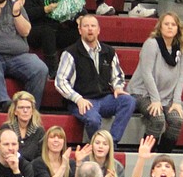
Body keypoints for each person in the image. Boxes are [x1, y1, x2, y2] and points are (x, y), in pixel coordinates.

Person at [55, 14, 137, 143]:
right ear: (80, 30)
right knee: (93, 119)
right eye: (86, 26)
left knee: (129, 101)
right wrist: (78, 99)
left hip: (105, 98)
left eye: (93, 26)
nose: (90, 29)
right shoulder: (71, 52)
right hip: (82, 100)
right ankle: (97, 146)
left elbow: (117, 75)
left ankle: (111, 143)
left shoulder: (109, 51)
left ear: (98, 30)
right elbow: (60, 82)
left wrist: (118, 87)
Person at [128, 12, 183, 153]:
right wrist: (155, 99)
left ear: (178, 28)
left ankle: (163, 156)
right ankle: (145, 155)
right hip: (142, 93)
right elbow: (146, 73)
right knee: (158, 119)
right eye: (166, 24)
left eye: (173, 24)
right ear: (160, 27)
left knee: (177, 120)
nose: (170, 27)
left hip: (166, 97)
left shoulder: (181, 48)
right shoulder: (151, 44)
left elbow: (181, 75)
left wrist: (177, 101)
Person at [25, 0, 81, 69]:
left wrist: (80, 18)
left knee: (79, 31)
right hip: (36, 30)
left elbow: (78, 9)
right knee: (48, 31)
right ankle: (52, 69)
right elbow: (27, 12)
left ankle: (72, 67)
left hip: (58, 30)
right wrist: (45, 9)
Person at [6, 91, 45, 162]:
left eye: (28, 107)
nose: (25, 110)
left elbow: (41, 158)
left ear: (32, 111)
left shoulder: (39, 131)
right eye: (21, 107)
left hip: (33, 170)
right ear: (15, 111)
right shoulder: (6, 129)